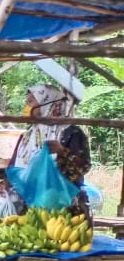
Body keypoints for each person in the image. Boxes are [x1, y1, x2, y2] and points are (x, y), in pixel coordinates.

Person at [11, 84, 91, 219]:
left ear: (47, 103)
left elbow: (83, 167)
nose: (27, 106)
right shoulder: (27, 135)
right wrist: (6, 184)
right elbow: (13, 165)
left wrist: (63, 151)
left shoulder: (71, 133)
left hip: (63, 204)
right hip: (29, 204)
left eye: (31, 101)